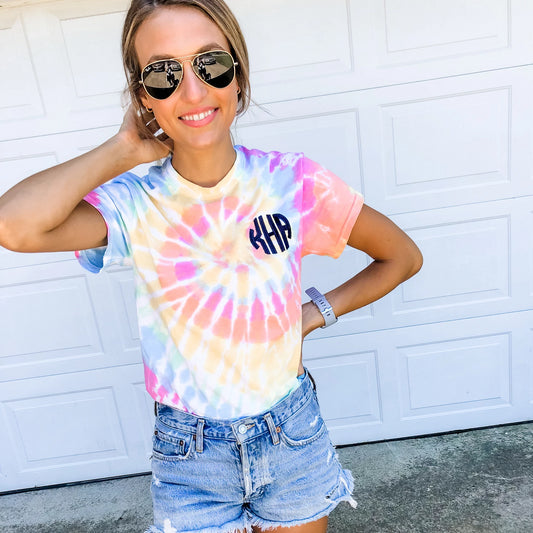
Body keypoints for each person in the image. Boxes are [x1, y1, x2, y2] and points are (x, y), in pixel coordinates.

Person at [0, 0, 423, 531]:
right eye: (164, 73)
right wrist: (125, 148)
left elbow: (402, 257)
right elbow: (14, 226)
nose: (193, 91)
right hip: (190, 453)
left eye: (210, 64)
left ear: (238, 76)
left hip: (291, 434)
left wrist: (312, 315)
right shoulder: (133, 202)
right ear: (143, 95)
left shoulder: (294, 184)